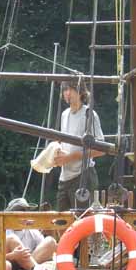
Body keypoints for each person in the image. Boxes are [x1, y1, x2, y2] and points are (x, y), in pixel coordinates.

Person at [54, 81, 106, 210]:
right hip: (64, 177)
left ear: (81, 92)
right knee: (61, 220)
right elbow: (63, 142)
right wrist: (54, 152)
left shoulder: (89, 114)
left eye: (71, 89)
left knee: (82, 219)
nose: (67, 93)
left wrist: (70, 157)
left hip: (83, 176)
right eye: (65, 90)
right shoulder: (64, 114)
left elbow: (102, 149)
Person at [4, 197, 57, 269]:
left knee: (50, 241)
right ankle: (32, 269)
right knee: (13, 239)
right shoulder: (3, 231)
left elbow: (43, 251)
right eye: (19, 211)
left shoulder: (33, 231)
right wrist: (13, 255)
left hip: (32, 263)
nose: (23, 214)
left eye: (25, 211)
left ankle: (31, 269)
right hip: (11, 265)